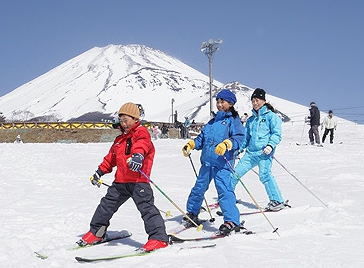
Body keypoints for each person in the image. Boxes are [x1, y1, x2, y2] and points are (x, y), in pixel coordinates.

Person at [81, 102, 168, 252]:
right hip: (120, 182)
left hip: (138, 182)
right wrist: (99, 172)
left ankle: (158, 238)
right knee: (106, 206)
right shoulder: (119, 140)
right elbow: (110, 159)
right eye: (121, 121)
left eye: (126, 120)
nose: (123, 124)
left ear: (135, 119)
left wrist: (138, 156)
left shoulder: (141, 133)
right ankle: (97, 232)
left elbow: (142, 145)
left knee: (147, 210)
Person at [182, 89, 245, 235]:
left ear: (230, 103)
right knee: (198, 188)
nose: (219, 104)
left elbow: (239, 138)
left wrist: (227, 144)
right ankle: (192, 212)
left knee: (224, 190)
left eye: (222, 101)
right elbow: (201, 139)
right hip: (207, 163)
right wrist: (191, 144)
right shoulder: (212, 122)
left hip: (222, 164)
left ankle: (231, 221)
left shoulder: (233, 120)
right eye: (217, 101)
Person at [233, 88, 288, 211]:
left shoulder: (271, 117)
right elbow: (246, 138)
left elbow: (276, 134)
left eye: (257, 100)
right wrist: (238, 150)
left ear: (263, 101)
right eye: (253, 101)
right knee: (235, 173)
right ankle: (228, 197)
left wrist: (270, 146)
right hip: (251, 153)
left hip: (264, 153)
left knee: (264, 175)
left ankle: (277, 200)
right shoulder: (251, 120)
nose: (255, 103)